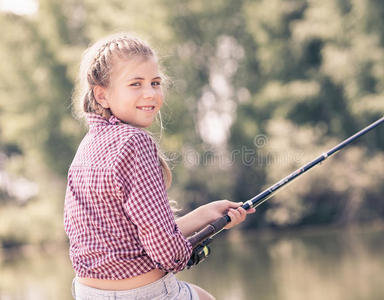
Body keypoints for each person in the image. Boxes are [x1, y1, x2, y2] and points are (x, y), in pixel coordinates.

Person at [64, 33, 255, 300]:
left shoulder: (86, 147)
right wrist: (188, 252)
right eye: (135, 84)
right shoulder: (135, 142)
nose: (150, 93)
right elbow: (169, 254)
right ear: (102, 95)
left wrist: (205, 216)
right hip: (146, 293)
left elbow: (133, 237)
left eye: (155, 83)